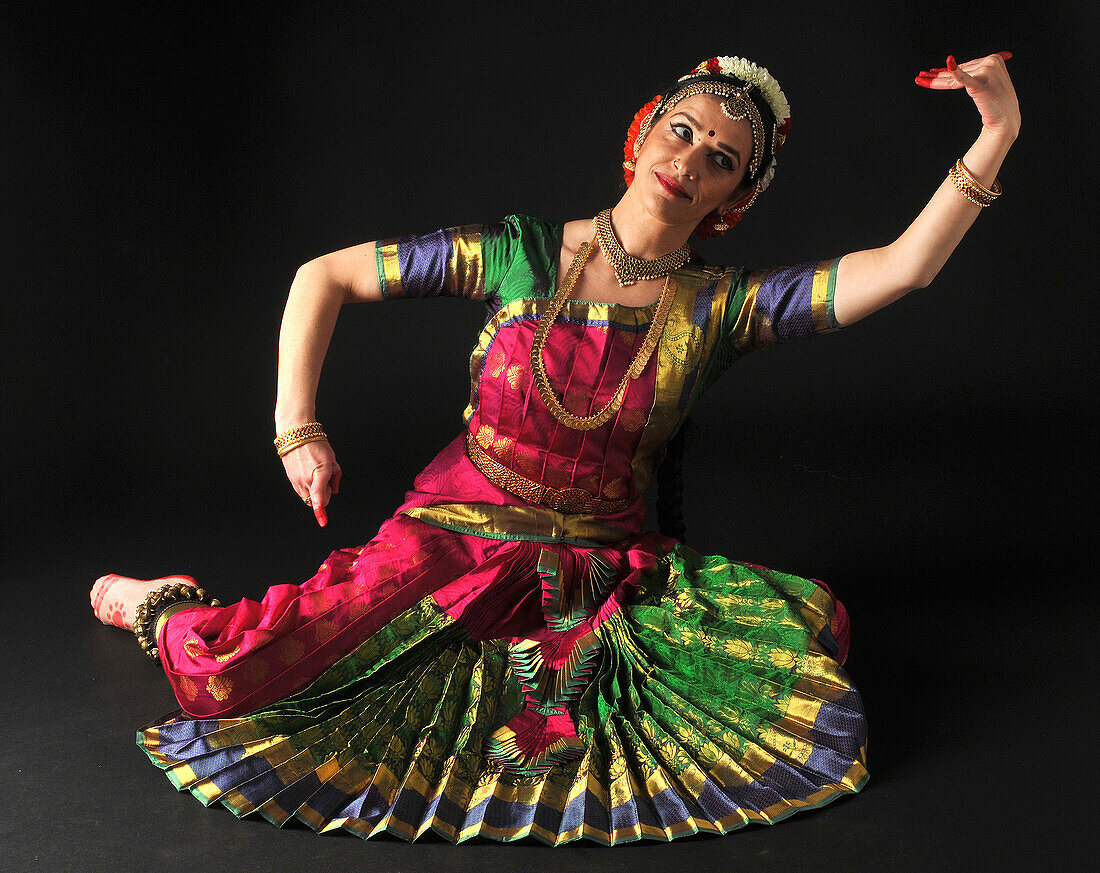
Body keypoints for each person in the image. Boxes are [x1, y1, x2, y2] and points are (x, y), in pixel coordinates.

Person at [89, 54, 1019, 845]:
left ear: (736, 198)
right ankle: (159, 607)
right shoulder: (520, 256)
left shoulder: (720, 308)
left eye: (723, 159)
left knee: (798, 679)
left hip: (600, 574)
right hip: (452, 536)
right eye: (684, 131)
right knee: (231, 678)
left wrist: (997, 129)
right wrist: (299, 425)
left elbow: (903, 266)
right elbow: (320, 276)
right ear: (643, 130)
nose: (691, 160)